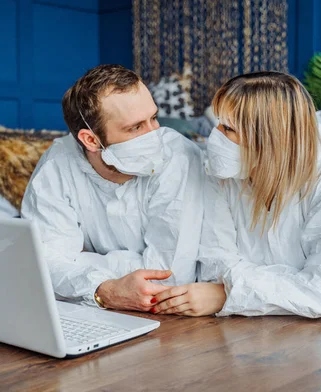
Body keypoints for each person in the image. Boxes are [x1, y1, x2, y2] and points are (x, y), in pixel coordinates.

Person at [151, 71, 321, 320]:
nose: (215, 137)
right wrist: (283, 284)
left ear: (267, 138)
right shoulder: (221, 176)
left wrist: (228, 295)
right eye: (217, 123)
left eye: (228, 128)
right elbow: (216, 264)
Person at [21, 64, 204, 312]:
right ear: (90, 140)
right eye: (136, 127)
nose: (155, 135)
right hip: (93, 317)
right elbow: (42, 266)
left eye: (154, 118)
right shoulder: (56, 165)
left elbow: (170, 278)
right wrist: (106, 290)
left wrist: (82, 265)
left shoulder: (180, 157)